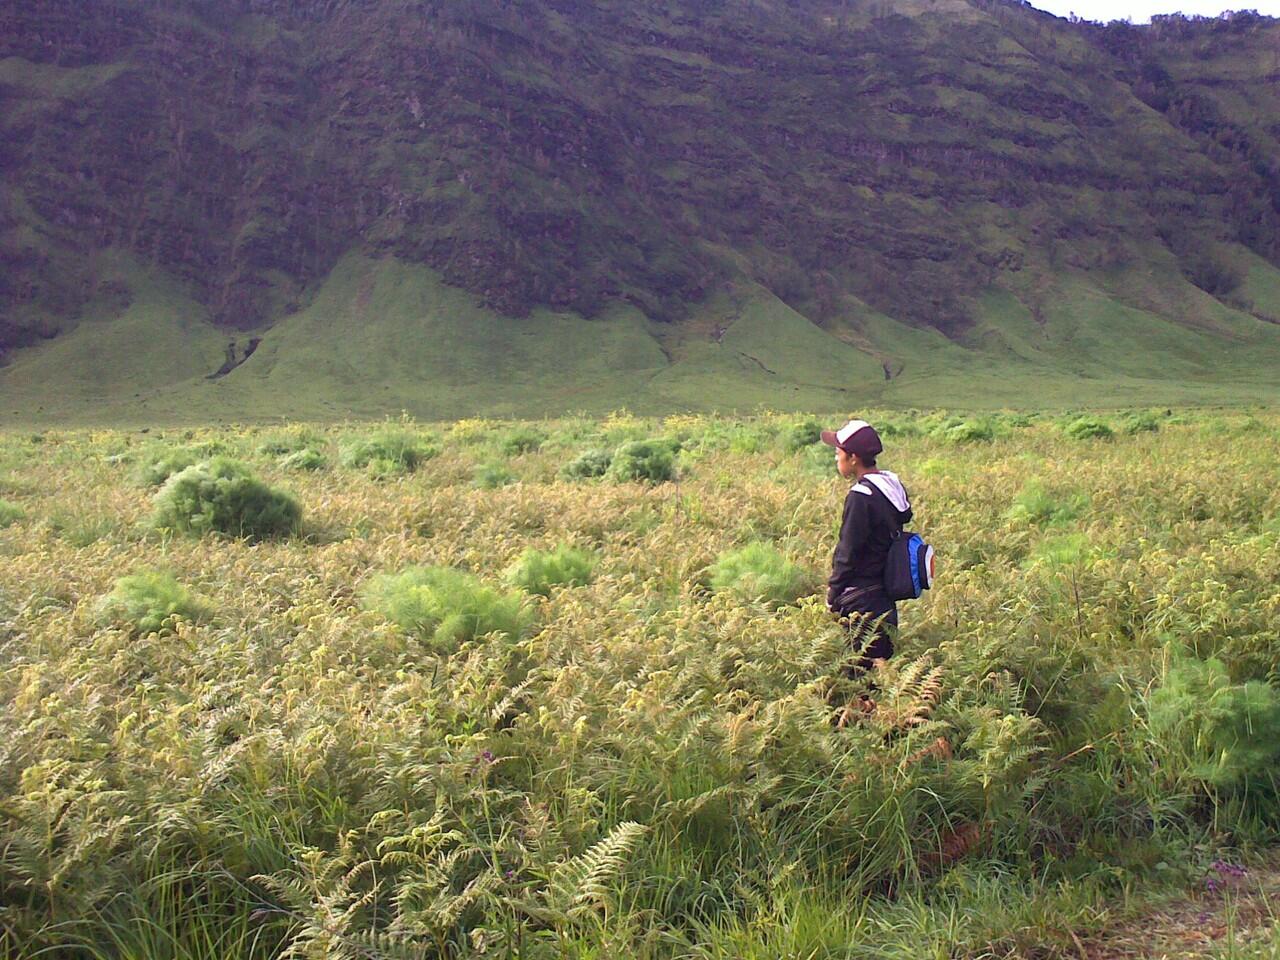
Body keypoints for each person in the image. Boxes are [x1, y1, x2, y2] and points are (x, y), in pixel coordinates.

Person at [821, 418, 913, 672]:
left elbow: (848, 552)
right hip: (884, 599)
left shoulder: (860, 497)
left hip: (860, 602)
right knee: (881, 679)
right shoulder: (891, 487)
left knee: (860, 682)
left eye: (838, 452)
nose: (835, 458)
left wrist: (833, 594)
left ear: (853, 458)